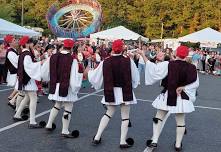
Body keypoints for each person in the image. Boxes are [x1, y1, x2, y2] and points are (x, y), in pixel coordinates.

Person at [138, 46, 199, 152]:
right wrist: (183, 87)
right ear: (186, 55)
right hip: (182, 97)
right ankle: (178, 144)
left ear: (177, 53)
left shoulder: (168, 64)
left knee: (159, 117)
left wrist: (143, 55)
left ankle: (155, 140)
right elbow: (195, 83)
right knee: (180, 121)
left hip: (168, 95)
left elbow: (153, 70)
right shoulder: (192, 67)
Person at [85, 39, 140, 148]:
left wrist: (88, 72)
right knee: (125, 117)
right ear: (122, 49)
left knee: (108, 113)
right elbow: (135, 77)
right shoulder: (128, 60)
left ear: (113, 49)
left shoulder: (106, 61)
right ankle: (122, 141)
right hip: (125, 91)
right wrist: (132, 85)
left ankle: (97, 137)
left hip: (111, 91)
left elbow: (96, 76)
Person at [41, 39, 84, 138]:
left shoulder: (53, 57)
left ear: (63, 46)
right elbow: (73, 77)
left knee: (57, 104)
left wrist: (48, 79)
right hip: (66, 86)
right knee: (68, 107)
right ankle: (65, 131)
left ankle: (49, 124)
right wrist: (75, 88)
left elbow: (44, 71)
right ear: (72, 48)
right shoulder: (72, 59)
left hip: (55, 85)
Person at [13, 36, 43, 128]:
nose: (32, 44)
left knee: (27, 97)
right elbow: (29, 67)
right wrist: (40, 63)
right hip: (28, 79)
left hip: (25, 79)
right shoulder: (27, 54)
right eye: (30, 43)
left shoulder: (23, 53)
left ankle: (17, 115)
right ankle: (32, 121)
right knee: (33, 98)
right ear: (27, 44)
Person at [4, 35, 20, 109]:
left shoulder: (14, 50)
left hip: (16, 72)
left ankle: (13, 99)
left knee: (20, 88)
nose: (16, 41)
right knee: (20, 88)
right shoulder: (10, 52)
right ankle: (13, 101)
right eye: (14, 40)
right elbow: (17, 63)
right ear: (10, 43)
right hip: (15, 72)